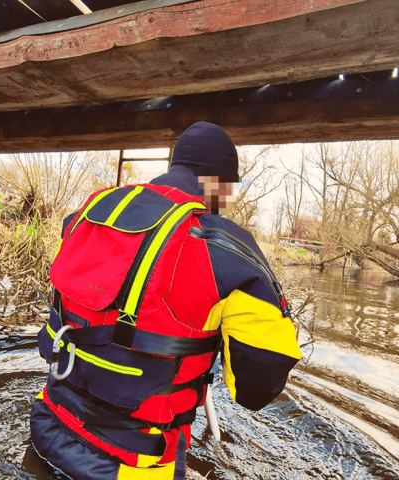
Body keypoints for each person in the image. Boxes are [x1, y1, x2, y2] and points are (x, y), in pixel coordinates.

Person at [30, 121, 302, 479]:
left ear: (175, 167)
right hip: (131, 467)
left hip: (47, 431)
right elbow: (256, 388)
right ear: (219, 183)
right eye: (230, 188)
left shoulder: (90, 212)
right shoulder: (226, 250)